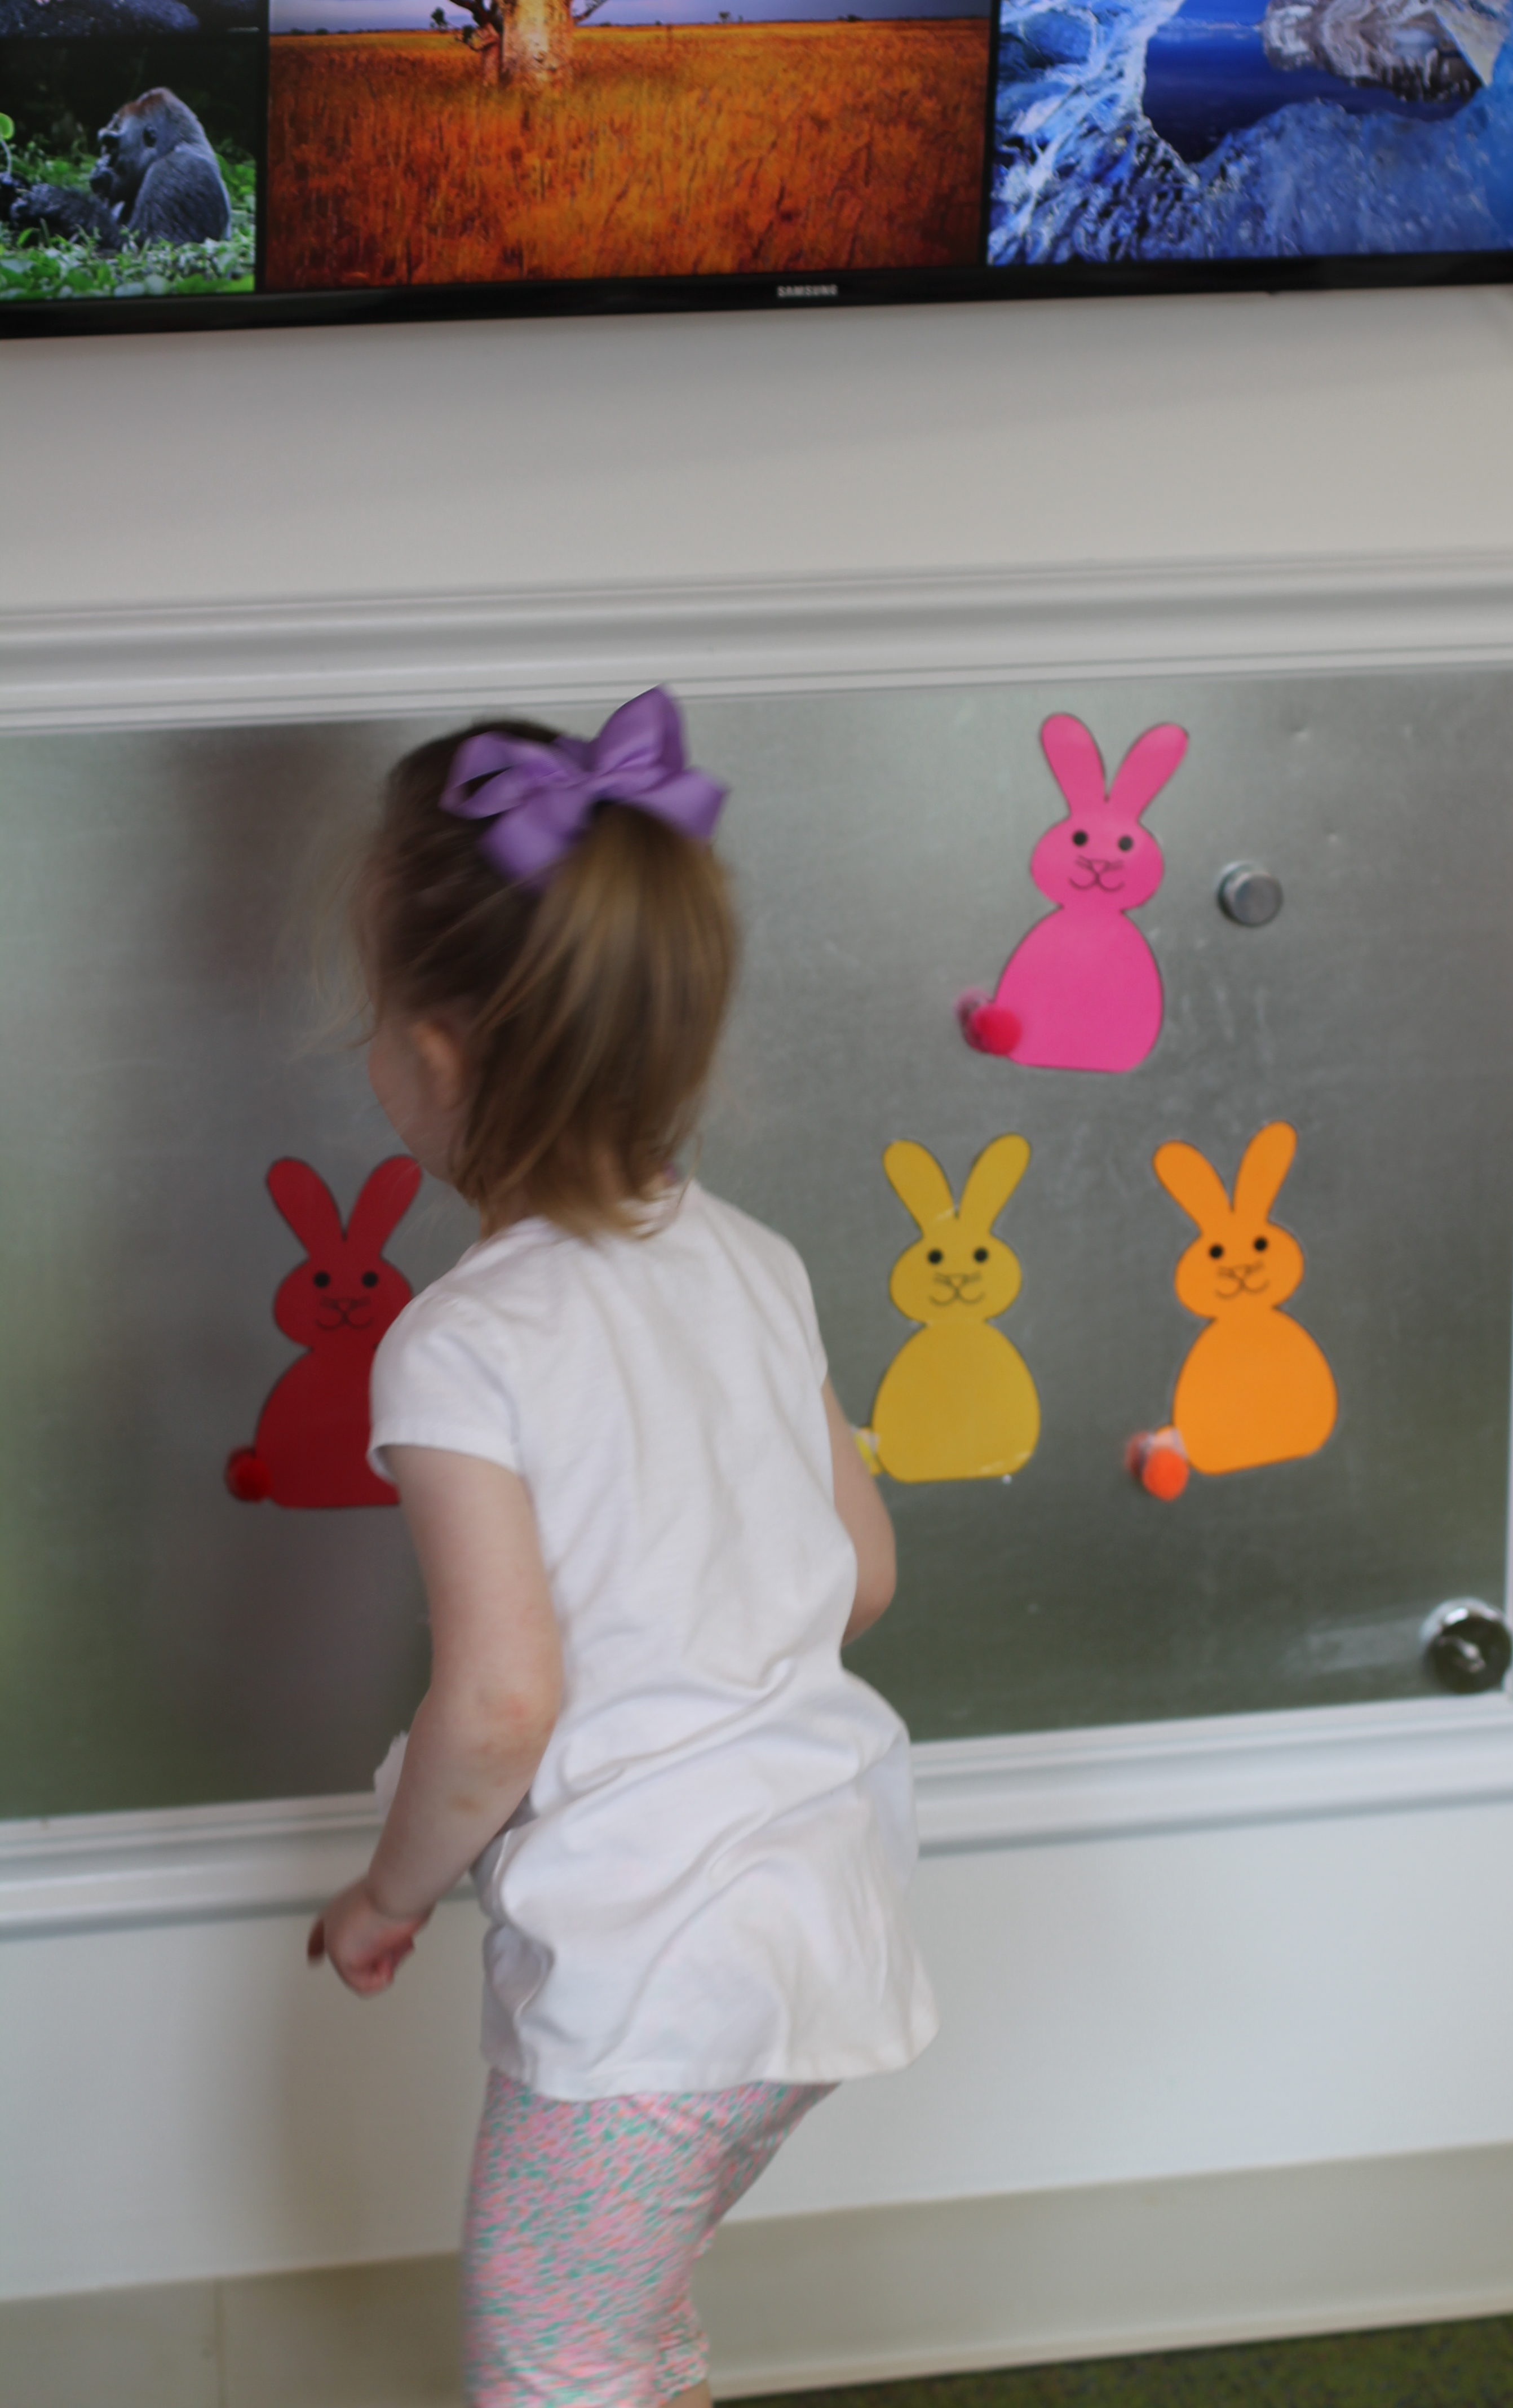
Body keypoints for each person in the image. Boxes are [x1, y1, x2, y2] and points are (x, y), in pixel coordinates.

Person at [308, 689, 937, 2408]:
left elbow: (502, 1703)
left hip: (655, 1967)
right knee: (625, 2332)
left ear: (438, 1055)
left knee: (557, 2359)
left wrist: (387, 1896)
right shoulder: (755, 1261)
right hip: (823, 1921)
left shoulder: (461, 1345)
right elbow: (864, 1573)